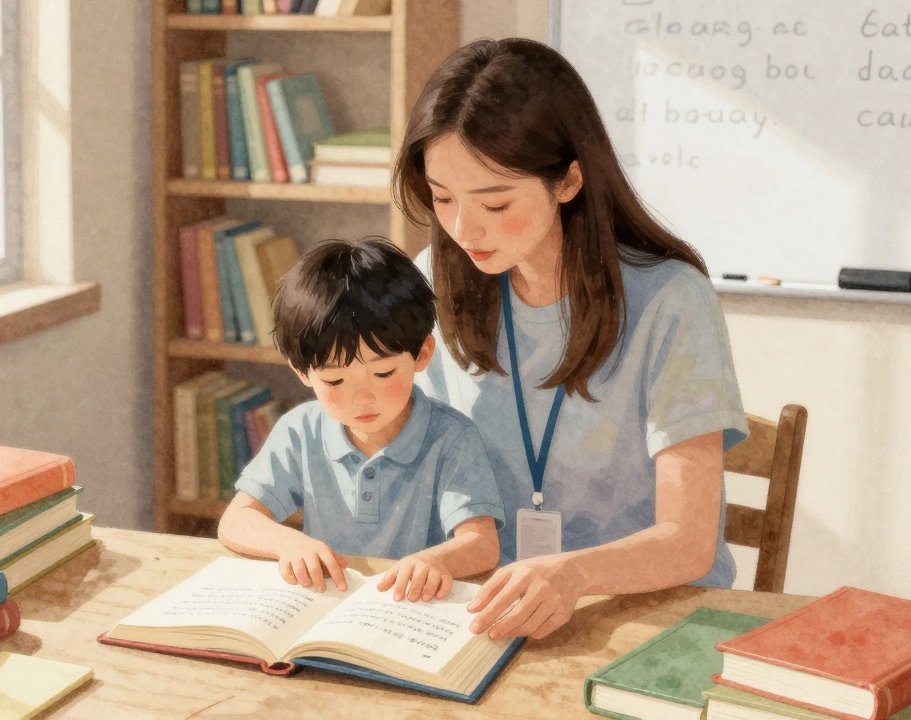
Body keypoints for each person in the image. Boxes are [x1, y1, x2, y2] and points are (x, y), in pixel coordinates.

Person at [391, 38, 750, 641]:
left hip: (651, 618)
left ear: (568, 182)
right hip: (490, 617)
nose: (462, 228)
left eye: (495, 201)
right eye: (443, 197)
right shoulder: (436, 279)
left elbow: (688, 542)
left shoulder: (670, 301)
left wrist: (575, 574)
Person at [217, 237, 505, 604]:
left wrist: (435, 561)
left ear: (422, 354)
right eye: (335, 380)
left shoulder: (452, 438)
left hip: (414, 610)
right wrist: (287, 541)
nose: (362, 399)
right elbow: (236, 520)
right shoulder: (300, 431)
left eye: (383, 373)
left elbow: (482, 545)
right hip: (329, 606)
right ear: (303, 372)